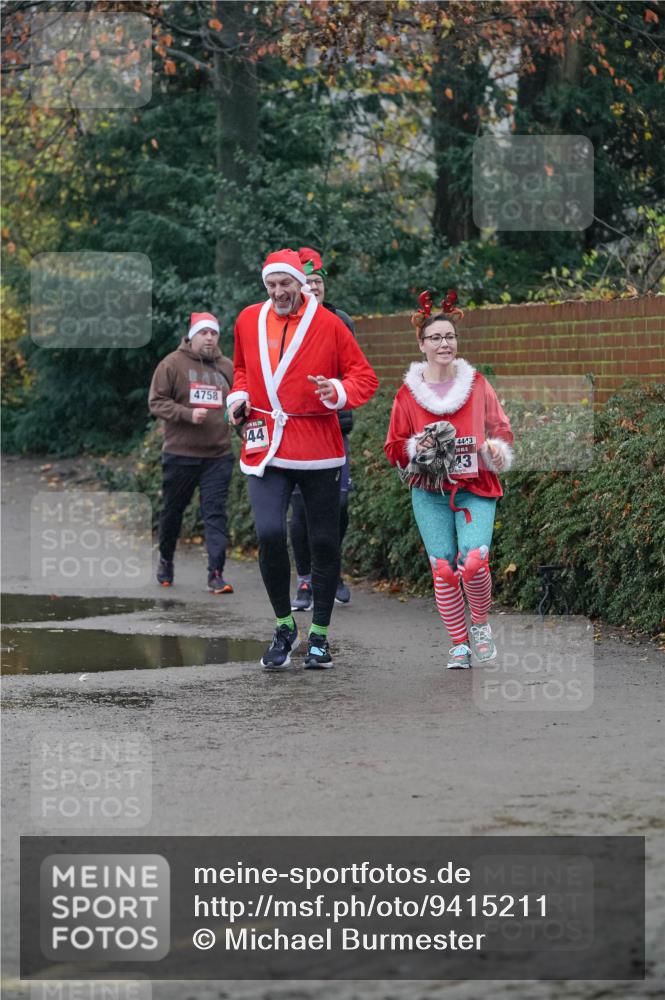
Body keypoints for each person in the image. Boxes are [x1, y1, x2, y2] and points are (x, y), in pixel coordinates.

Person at [227, 249, 378, 670]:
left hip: (317, 444)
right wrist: (238, 398)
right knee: (271, 532)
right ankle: (283, 625)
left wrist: (337, 392)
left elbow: (364, 377)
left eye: (285, 285)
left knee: (325, 541)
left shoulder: (329, 324)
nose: (278, 293)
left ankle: (320, 635)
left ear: (301, 284)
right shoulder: (247, 320)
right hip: (266, 442)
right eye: (271, 286)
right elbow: (241, 370)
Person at [384, 290, 514, 669]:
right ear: (422, 344)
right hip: (430, 491)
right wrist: (417, 447)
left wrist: (495, 449)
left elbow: (501, 429)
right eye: (436, 337)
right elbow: (393, 446)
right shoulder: (408, 394)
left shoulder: (477, 384)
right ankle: (458, 644)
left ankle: (481, 626)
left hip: (476, 487)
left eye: (450, 336)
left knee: (473, 561)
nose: (444, 343)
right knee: (442, 567)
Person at [149, 312, 234, 594]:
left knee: (215, 513)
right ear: (192, 336)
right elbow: (156, 402)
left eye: (214, 333)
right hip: (181, 453)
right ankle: (165, 561)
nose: (209, 337)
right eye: (204, 333)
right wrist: (186, 413)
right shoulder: (172, 364)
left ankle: (216, 573)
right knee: (173, 511)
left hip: (219, 454)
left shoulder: (227, 367)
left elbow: (241, 403)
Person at [290, 246, 355, 611]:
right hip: (296, 429)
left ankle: (330, 571)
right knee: (300, 509)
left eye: (318, 282)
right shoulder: (282, 322)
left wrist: (341, 395)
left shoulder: (340, 320)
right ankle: (305, 579)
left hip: (334, 427)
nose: (313, 288)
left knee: (338, 505)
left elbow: (353, 369)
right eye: (307, 282)